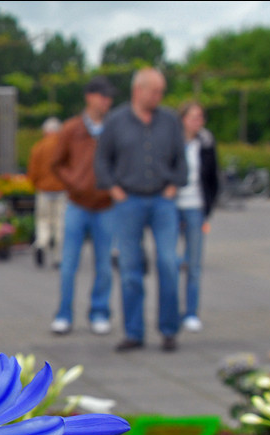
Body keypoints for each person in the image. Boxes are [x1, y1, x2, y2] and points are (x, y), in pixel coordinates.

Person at [95, 67, 187, 353]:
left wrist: (174, 185)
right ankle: (133, 332)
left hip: (162, 200)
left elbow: (181, 160)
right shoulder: (116, 122)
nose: (159, 96)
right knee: (130, 268)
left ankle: (169, 329)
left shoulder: (170, 121)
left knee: (169, 263)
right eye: (155, 91)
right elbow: (102, 159)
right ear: (138, 90)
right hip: (128, 201)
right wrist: (113, 188)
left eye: (161, 91)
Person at [49, 76, 116, 336]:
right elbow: (56, 162)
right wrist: (73, 183)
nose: (107, 101)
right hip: (77, 204)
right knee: (68, 264)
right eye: (103, 96)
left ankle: (99, 312)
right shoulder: (71, 128)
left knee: (104, 265)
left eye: (109, 97)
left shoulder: (113, 128)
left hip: (106, 206)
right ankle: (64, 314)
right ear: (90, 97)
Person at [175, 102, 219, 334]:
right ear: (182, 119)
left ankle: (191, 312)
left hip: (196, 205)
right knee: (169, 261)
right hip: (172, 205)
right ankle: (171, 310)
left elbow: (213, 176)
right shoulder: (171, 141)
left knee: (194, 263)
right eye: (193, 116)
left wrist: (208, 208)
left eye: (200, 117)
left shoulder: (206, 143)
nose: (197, 121)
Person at [27, 117, 67, 270]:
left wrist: (35, 184)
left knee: (43, 220)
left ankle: (41, 243)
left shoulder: (39, 147)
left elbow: (33, 171)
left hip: (44, 190)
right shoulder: (63, 148)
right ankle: (58, 257)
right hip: (61, 190)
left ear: (46, 131)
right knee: (60, 222)